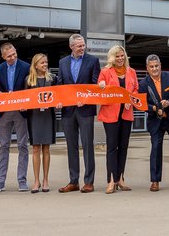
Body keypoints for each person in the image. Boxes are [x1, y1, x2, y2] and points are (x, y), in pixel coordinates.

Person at [56, 33, 101, 193]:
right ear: (71, 47)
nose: (83, 48)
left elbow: (95, 85)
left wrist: (87, 99)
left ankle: (89, 182)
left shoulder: (93, 61)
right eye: (79, 46)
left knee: (88, 145)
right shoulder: (63, 62)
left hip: (85, 110)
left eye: (83, 45)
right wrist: (59, 101)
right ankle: (73, 181)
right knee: (71, 147)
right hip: (68, 111)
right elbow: (60, 85)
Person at [138, 54, 169, 192]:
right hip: (156, 121)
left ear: (160, 65)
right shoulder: (143, 84)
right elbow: (142, 104)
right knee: (155, 150)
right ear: (147, 68)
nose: (155, 69)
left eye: (157, 66)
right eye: (151, 67)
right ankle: (155, 180)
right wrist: (154, 109)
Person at [97, 45, 139, 194]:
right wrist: (101, 86)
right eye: (117, 56)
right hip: (110, 114)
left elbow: (135, 90)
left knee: (123, 147)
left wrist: (131, 99)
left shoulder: (131, 72)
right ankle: (111, 180)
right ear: (112, 57)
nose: (120, 58)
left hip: (126, 114)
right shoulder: (105, 72)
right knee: (112, 147)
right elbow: (100, 89)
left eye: (122, 55)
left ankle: (120, 178)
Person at [0, 42, 31, 193]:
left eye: (14, 54)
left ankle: (22, 180)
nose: (13, 57)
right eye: (9, 56)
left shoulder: (26, 67)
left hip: (21, 111)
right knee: (3, 146)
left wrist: (25, 102)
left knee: (22, 145)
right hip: (5, 111)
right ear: (3, 56)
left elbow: (29, 87)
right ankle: (0, 181)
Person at [25, 53, 56, 193]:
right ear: (35, 65)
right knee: (36, 148)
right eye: (42, 63)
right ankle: (36, 180)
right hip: (35, 116)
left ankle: (46, 180)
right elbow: (24, 98)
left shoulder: (53, 79)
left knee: (46, 148)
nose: (45, 65)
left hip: (48, 116)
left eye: (46, 62)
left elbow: (59, 95)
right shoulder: (29, 80)